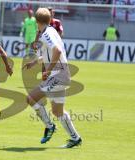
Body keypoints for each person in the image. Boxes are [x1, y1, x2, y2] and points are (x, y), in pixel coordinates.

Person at [23, 8, 82, 148]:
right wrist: (35, 62)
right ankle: (75, 138)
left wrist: (48, 70)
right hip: (62, 74)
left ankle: (49, 126)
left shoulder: (45, 35)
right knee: (57, 111)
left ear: (36, 22)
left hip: (58, 74)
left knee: (30, 98)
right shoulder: (51, 31)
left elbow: (57, 51)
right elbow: (51, 53)